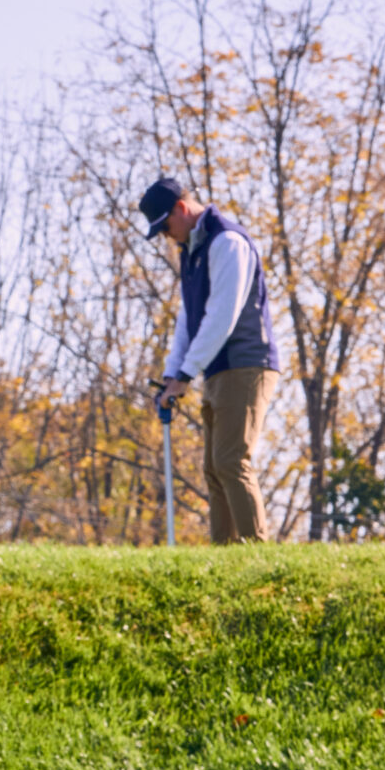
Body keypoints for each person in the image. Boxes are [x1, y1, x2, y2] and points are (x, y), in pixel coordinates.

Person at [138, 176, 279, 544]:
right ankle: (224, 556)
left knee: (231, 461)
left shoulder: (227, 242)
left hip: (247, 364)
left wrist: (186, 373)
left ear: (182, 209)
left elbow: (222, 315)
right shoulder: (192, 252)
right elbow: (189, 318)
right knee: (215, 469)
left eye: (165, 226)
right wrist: (172, 374)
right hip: (218, 367)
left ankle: (255, 554)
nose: (167, 236)